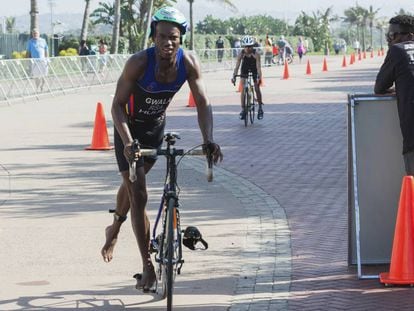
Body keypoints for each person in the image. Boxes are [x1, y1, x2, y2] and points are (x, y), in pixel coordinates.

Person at [100, 6, 223, 292]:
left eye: (175, 38)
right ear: (154, 37)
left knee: (132, 188)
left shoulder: (189, 62)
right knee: (138, 192)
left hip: (155, 128)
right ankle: (147, 267)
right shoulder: (138, 63)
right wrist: (129, 142)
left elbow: (203, 102)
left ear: (181, 39)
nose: (168, 42)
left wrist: (208, 138)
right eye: (163, 36)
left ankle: (115, 225)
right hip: (128, 129)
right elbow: (116, 105)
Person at [375, 15, 414, 175]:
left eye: (393, 35)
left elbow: (380, 87)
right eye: (388, 36)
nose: (390, 40)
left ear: (410, 36)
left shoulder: (397, 51)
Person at [231, 35, 264, 120]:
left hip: (254, 68)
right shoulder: (241, 54)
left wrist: (259, 77)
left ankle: (260, 107)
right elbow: (237, 66)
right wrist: (234, 76)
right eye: (246, 46)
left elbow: (258, 68)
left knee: (256, 87)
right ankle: (243, 109)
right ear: (243, 46)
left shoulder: (256, 54)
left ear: (252, 46)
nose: (248, 48)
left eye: (249, 46)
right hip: (245, 67)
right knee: (243, 87)